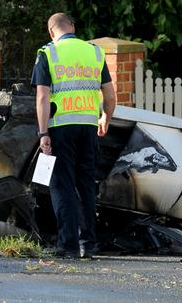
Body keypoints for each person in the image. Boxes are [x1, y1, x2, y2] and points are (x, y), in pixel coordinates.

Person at [31, 13, 116, 258]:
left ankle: (67, 246)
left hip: (60, 130)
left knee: (63, 185)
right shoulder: (95, 53)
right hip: (89, 128)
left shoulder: (48, 54)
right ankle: (88, 244)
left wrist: (43, 132)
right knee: (86, 185)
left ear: (51, 32)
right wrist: (105, 119)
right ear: (73, 27)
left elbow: (42, 97)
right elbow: (110, 97)